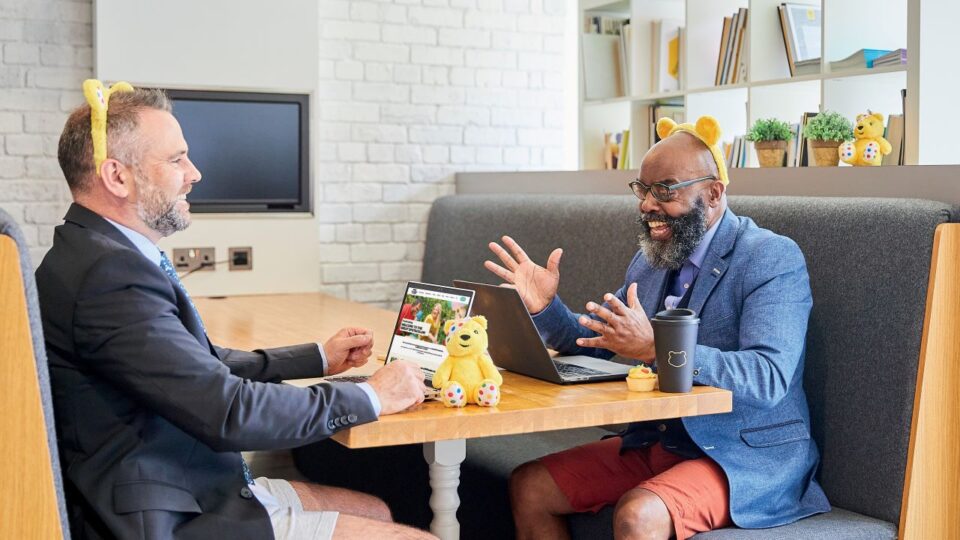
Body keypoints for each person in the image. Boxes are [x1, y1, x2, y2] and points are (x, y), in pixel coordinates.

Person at [36, 83, 434, 540]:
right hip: (166, 516)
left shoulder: (91, 252)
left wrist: (317, 359)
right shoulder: (109, 276)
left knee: (377, 510)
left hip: (179, 483)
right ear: (117, 177)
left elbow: (198, 364)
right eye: (176, 159)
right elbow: (230, 411)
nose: (195, 173)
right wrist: (372, 397)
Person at [485, 116, 829, 540]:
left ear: (714, 193)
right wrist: (544, 307)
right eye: (642, 189)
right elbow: (598, 339)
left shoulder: (770, 257)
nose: (647, 204)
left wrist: (656, 348)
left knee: (638, 515)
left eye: (665, 189)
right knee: (531, 486)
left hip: (746, 454)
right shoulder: (651, 260)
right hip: (661, 440)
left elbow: (768, 377)